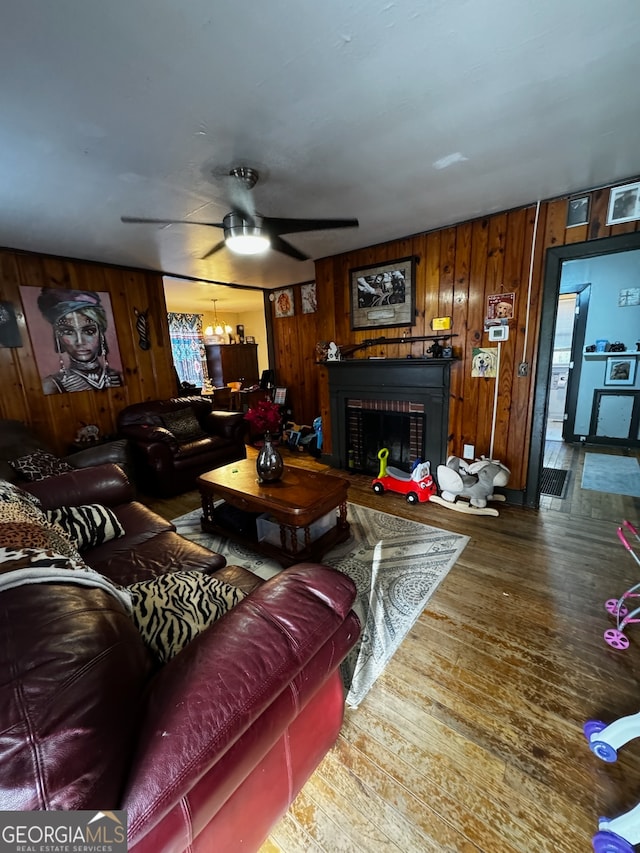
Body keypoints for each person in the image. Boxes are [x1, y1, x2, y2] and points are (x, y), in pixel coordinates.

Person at [37, 288, 123, 393]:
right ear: (58, 337)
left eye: (89, 331)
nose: (80, 341)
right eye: (68, 332)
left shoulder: (119, 378)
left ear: (101, 334)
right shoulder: (51, 385)